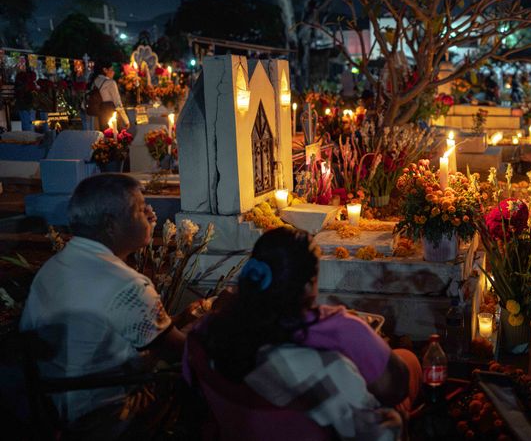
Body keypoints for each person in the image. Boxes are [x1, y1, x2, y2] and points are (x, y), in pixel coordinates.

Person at [197, 227, 419, 440]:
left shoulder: (207, 331)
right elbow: (394, 393)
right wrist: (396, 418)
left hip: (244, 427)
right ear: (308, 286)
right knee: (407, 362)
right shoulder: (327, 365)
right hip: (305, 420)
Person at [19, 173, 185, 436]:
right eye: (142, 209)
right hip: (102, 412)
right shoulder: (126, 285)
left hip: (50, 400)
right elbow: (179, 350)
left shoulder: (57, 264)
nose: (152, 216)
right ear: (111, 225)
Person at [91, 61, 129, 130]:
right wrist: (126, 120)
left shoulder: (94, 81)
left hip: (99, 115)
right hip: (111, 114)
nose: (113, 72)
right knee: (114, 137)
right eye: (111, 69)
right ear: (105, 70)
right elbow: (118, 103)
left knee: (104, 137)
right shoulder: (111, 83)